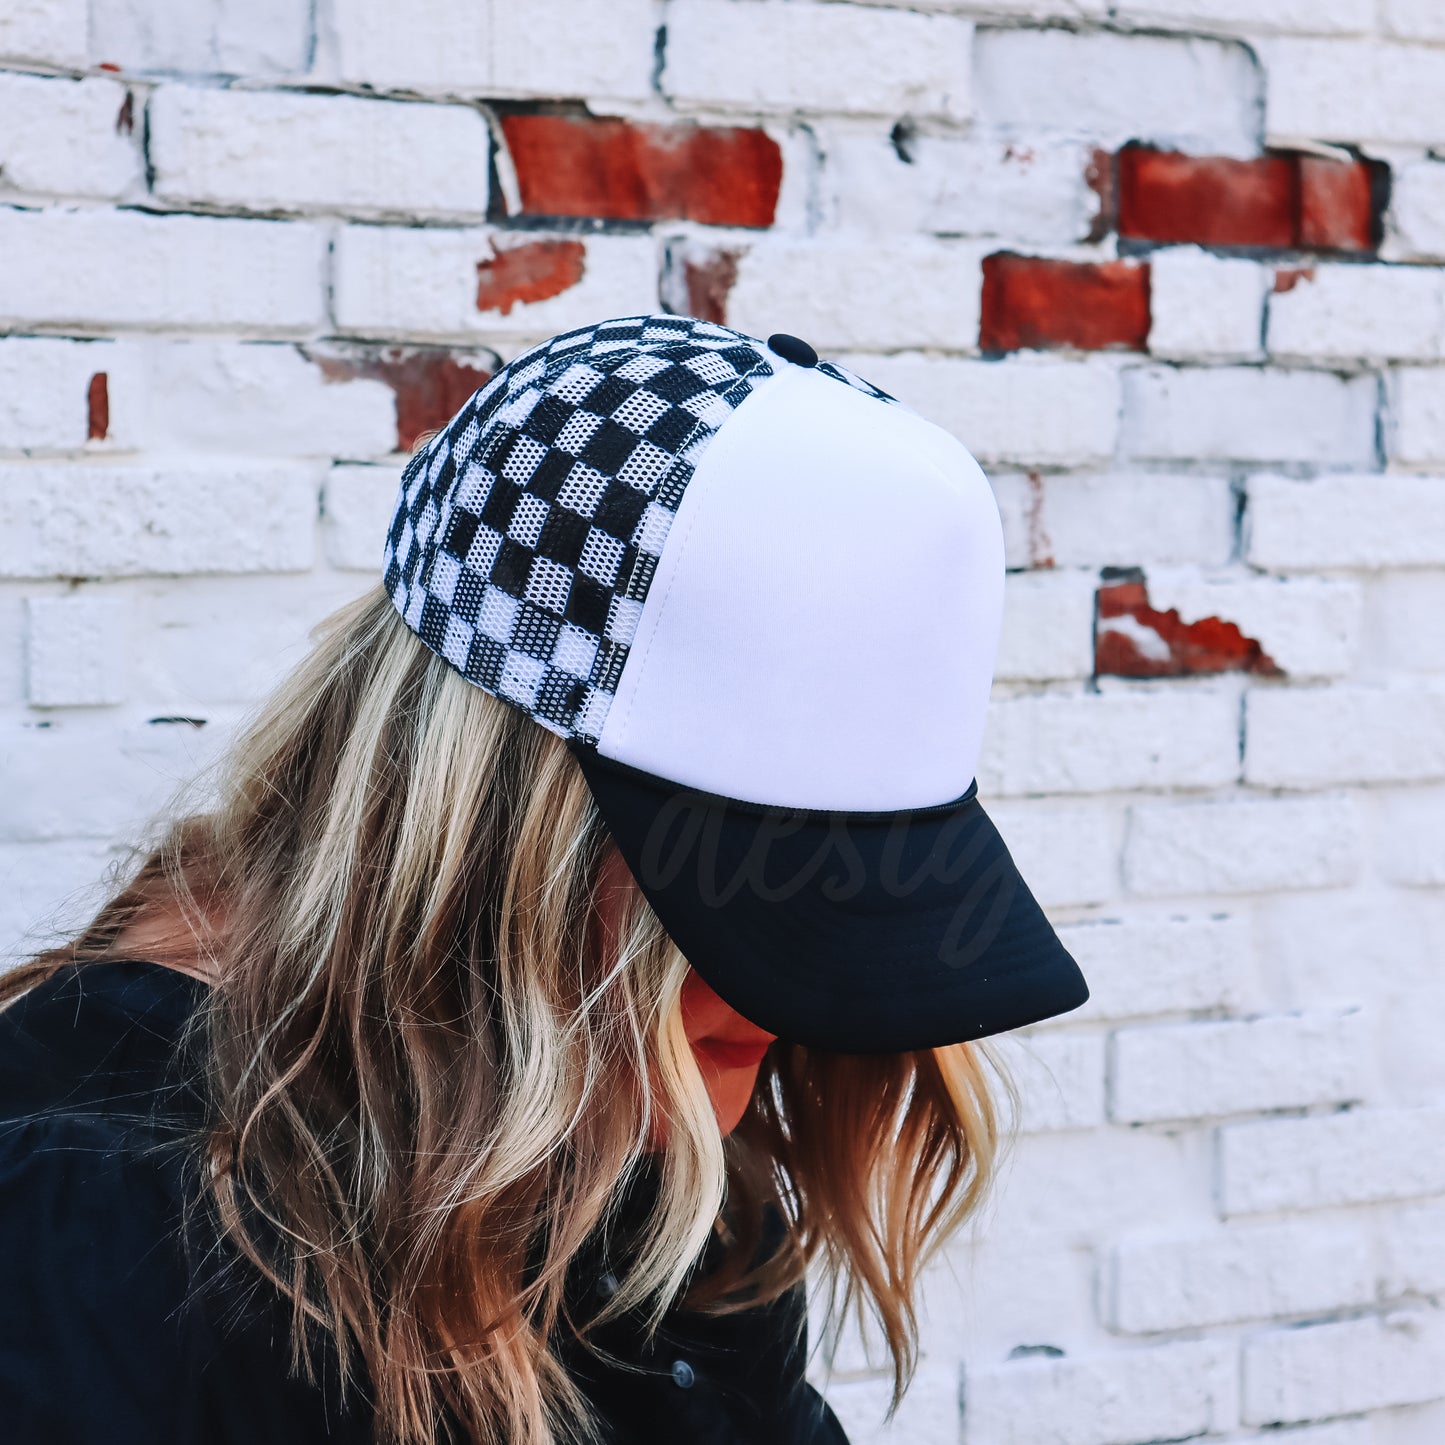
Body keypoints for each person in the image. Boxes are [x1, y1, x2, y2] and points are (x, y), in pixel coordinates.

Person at [0, 315, 1088, 1444]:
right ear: (481, 815)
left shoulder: (652, 1164)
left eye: (850, 906)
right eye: (753, 897)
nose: (794, 1008)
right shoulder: (95, 1234)